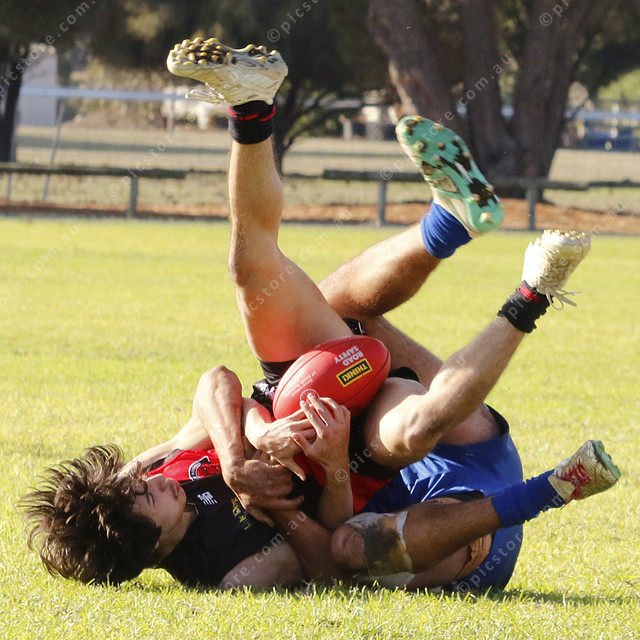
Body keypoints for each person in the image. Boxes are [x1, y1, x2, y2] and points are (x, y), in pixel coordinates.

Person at [20, 39, 621, 591]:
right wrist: (331, 468)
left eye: (138, 479)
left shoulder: (145, 476)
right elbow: (333, 562)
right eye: (148, 496)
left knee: (258, 273)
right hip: (422, 497)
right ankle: (536, 295)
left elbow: (216, 386)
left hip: (340, 409)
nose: (154, 480)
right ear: (152, 542)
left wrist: (242, 451)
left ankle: (257, 108)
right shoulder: (234, 570)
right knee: (392, 476)